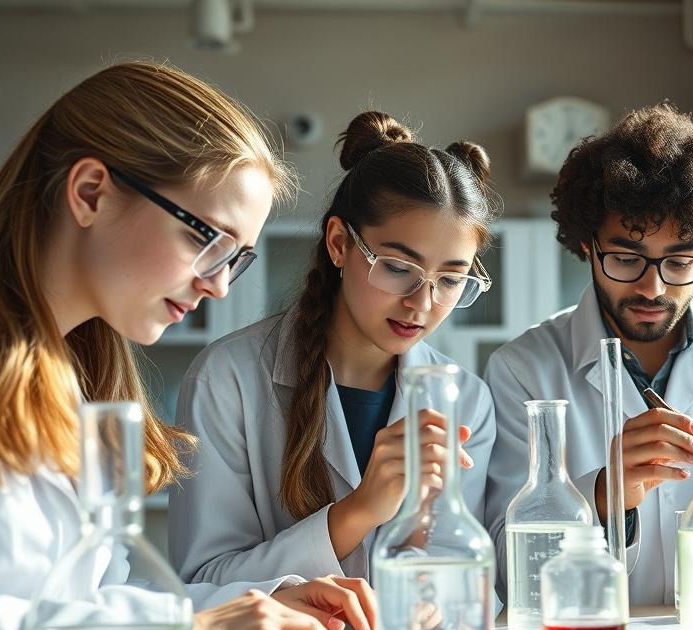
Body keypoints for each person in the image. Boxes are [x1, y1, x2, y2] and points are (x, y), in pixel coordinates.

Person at [0, 62, 375, 630]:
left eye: (236, 260)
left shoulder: (80, 372)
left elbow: (90, 608)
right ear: (90, 193)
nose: (218, 286)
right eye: (208, 241)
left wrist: (257, 607)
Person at [484, 104, 693, 605]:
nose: (654, 287)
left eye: (680, 261)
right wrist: (603, 494)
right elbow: (504, 565)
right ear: (588, 246)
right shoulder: (524, 369)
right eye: (627, 258)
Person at [169, 112, 498, 588]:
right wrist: (359, 511)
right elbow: (204, 583)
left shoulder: (466, 399)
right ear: (339, 243)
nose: (422, 304)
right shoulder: (227, 378)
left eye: (450, 280)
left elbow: (463, 582)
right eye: (397, 267)